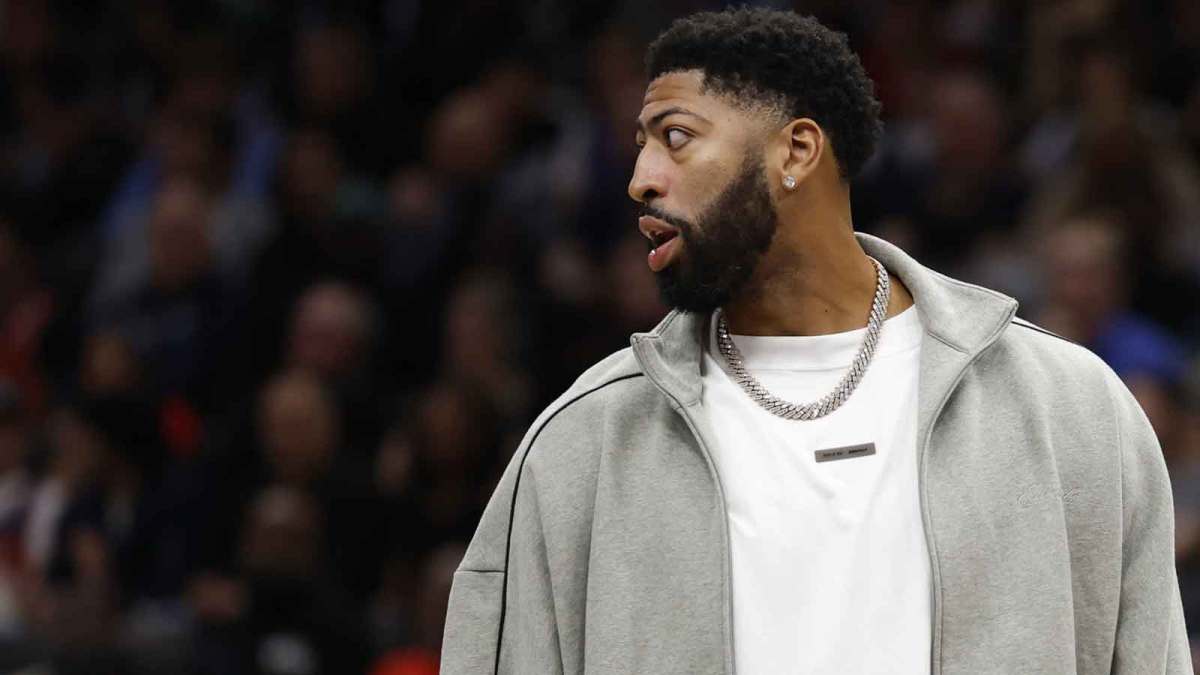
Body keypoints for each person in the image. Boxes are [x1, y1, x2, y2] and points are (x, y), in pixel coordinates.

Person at [440, 8, 1192, 674]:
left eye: (675, 138)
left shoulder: (1067, 406)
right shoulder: (583, 443)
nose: (640, 178)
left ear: (796, 151)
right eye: (640, 146)